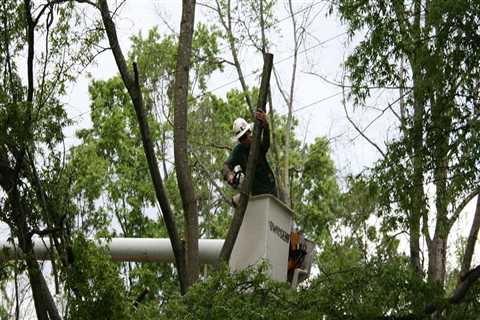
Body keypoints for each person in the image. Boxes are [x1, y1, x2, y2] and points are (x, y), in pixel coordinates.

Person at [223, 110, 277, 202]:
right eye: (240, 139)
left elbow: (266, 144)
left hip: (269, 189)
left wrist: (265, 125)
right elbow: (226, 165)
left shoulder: (256, 143)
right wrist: (229, 175)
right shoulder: (238, 151)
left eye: (244, 136)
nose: (243, 140)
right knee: (235, 201)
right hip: (254, 192)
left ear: (249, 132)